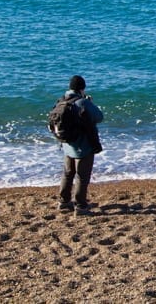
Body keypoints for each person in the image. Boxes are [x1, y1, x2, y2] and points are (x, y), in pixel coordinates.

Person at [57, 75, 104, 215]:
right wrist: (90, 103)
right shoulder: (82, 102)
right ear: (82, 88)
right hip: (82, 146)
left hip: (66, 145)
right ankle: (81, 206)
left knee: (67, 174)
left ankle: (64, 202)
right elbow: (99, 117)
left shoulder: (61, 101)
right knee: (82, 177)